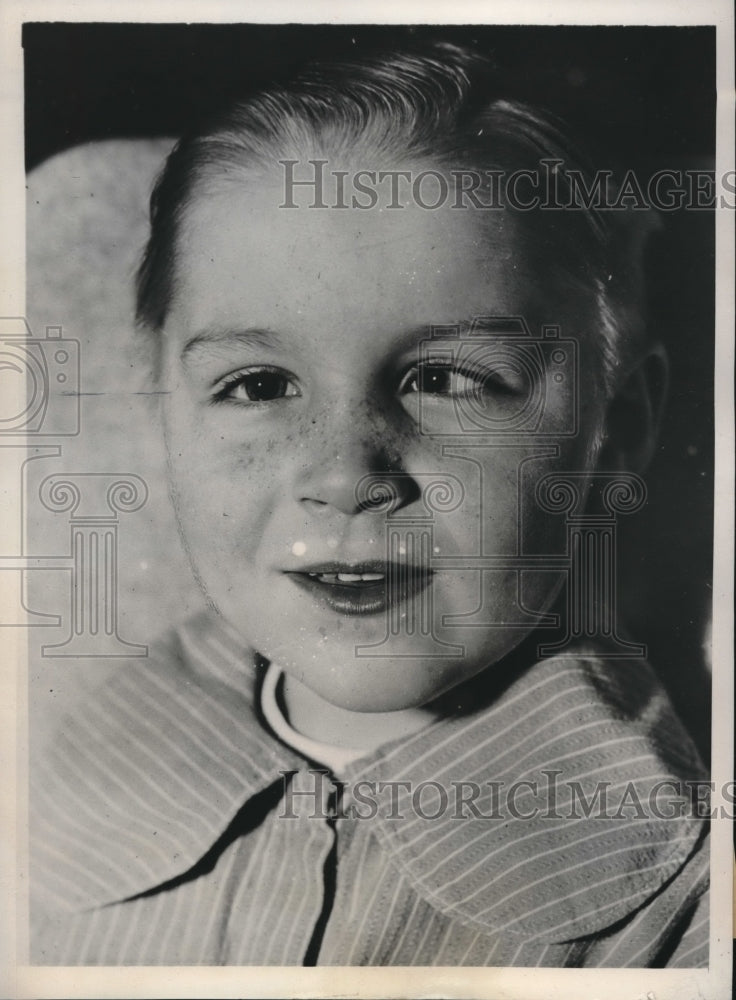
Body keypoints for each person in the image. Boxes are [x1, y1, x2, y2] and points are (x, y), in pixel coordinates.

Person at [30, 42, 709, 967]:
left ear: (618, 427)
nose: (346, 475)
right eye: (260, 385)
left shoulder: (688, 911)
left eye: (444, 379)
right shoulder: (53, 789)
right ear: (164, 414)